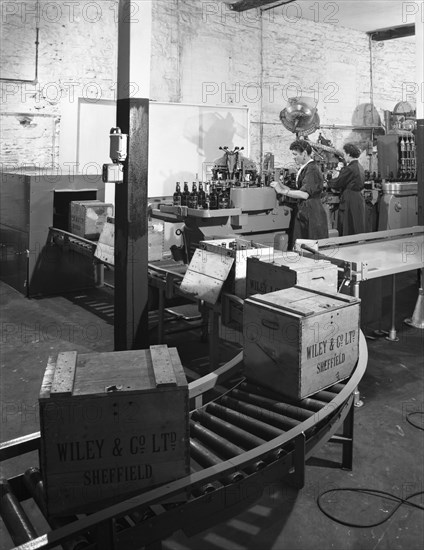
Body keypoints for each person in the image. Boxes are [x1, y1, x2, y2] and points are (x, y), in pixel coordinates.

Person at [271, 140, 328, 250]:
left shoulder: (312, 169)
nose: (294, 157)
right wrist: (281, 185)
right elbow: (300, 189)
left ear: (305, 154)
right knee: (301, 246)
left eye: (295, 154)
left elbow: (304, 194)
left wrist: (282, 191)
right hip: (305, 211)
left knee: (310, 247)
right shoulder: (305, 168)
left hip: (312, 213)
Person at [328, 143, 366, 236]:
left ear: (349, 154)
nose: (344, 157)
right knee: (357, 225)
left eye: (344, 154)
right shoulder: (359, 167)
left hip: (350, 199)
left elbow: (338, 183)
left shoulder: (350, 168)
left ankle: (348, 245)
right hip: (358, 198)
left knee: (348, 225)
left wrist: (328, 182)